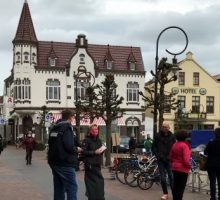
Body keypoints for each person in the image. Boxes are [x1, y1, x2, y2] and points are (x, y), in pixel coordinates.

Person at [48, 109, 82, 200]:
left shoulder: (55, 128)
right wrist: (77, 149)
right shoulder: (67, 128)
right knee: (72, 187)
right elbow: (69, 146)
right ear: (70, 117)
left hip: (54, 162)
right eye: (73, 116)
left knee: (59, 187)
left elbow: (50, 144)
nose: (74, 118)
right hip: (65, 162)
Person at [81, 124, 106, 200]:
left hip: (97, 164)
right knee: (92, 183)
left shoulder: (99, 140)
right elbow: (84, 152)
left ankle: (99, 197)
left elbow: (100, 151)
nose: (96, 131)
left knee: (99, 182)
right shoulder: (86, 140)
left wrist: (102, 150)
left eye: (97, 129)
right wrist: (94, 152)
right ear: (90, 131)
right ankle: (93, 197)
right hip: (90, 165)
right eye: (94, 129)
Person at [152, 122, 176, 200]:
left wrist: (172, 157)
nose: (164, 128)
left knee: (171, 176)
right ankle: (165, 194)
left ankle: (174, 193)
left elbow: (174, 147)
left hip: (169, 159)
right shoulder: (157, 136)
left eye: (166, 127)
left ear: (169, 128)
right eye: (163, 127)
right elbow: (154, 147)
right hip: (161, 160)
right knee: (162, 178)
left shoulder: (172, 136)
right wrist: (158, 156)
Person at [169, 130, 191, 200]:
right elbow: (186, 159)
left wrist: (174, 163)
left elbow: (170, 157)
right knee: (181, 188)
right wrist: (189, 166)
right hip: (183, 169)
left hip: (175, 168)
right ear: (185, 137)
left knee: (175, 186)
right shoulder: (185, 146)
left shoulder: (174, 145)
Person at [204, 127, 220, 200]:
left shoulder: (211, 142)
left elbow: (205, 152)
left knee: (212, 182)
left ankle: (213, 197)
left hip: (211, 164)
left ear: (215, 134)